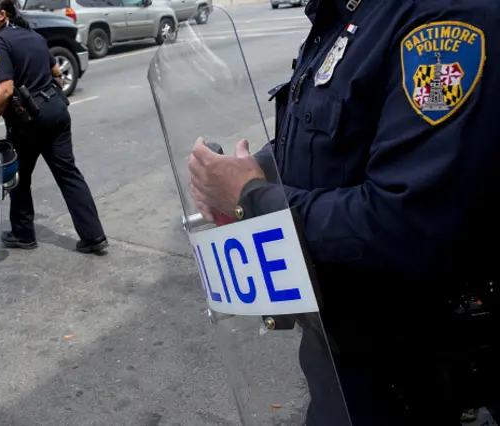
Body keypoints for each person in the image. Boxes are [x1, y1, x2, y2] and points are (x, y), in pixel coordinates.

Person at [188, 0, 500, 424]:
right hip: (340, 353)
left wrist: (252, 198)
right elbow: (331, 139)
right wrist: (251, 171)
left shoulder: (443, 19)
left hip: (413, 372)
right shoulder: (348, 13)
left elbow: (405, 225)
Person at [0, 0, 108, 253]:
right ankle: (94, 237)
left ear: (2, 15)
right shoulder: (33, 35)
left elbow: (5, 91)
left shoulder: (0, 44)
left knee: (19, 178)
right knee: (68, 173)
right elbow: (56, 71)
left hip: (29, 122)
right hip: (56, 111)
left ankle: (23, 235)